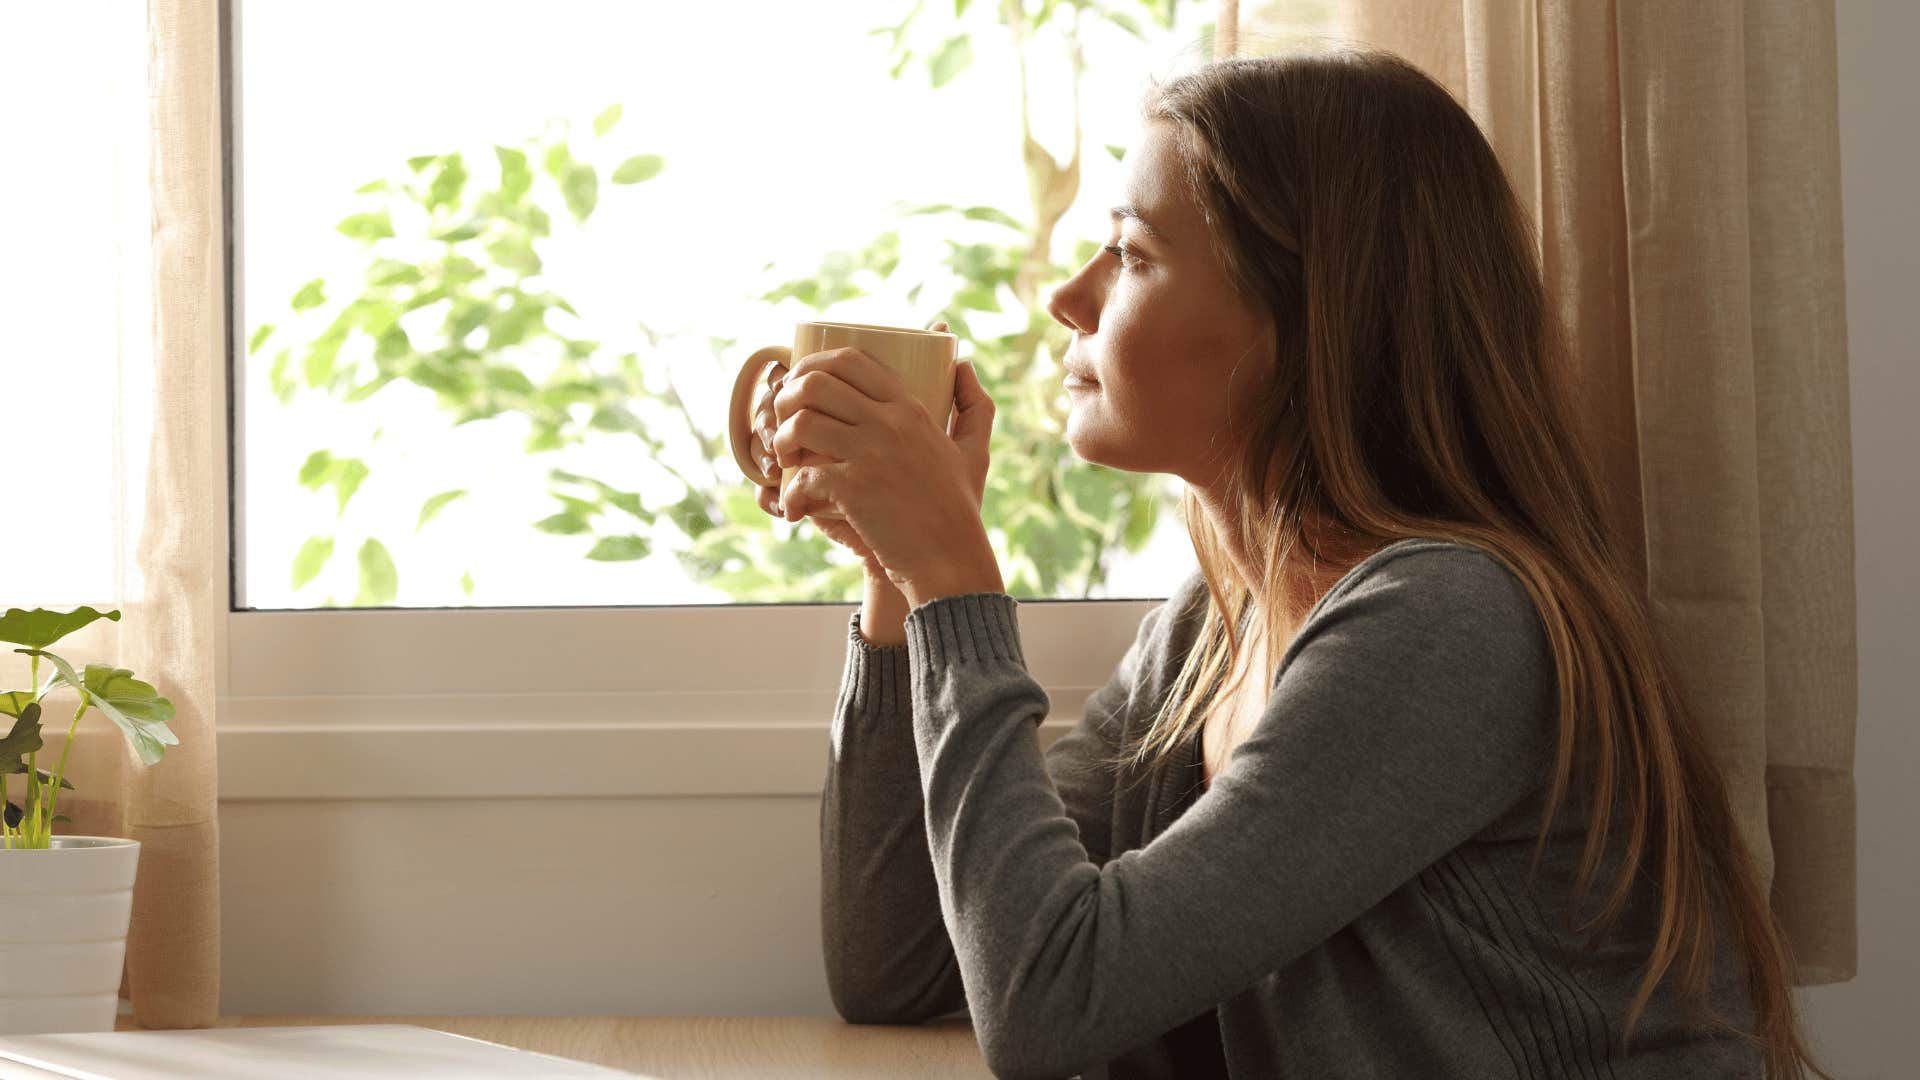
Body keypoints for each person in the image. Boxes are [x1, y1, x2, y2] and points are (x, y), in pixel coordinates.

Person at [750, 45, 1832, 1080]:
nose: (1067, 298)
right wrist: (896, 577)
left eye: (1130, 255)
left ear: (1301, 322)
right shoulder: (1211, 631)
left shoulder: (1451, 624)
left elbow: (1051, 1002)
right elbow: (898, 963)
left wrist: (956, 580)